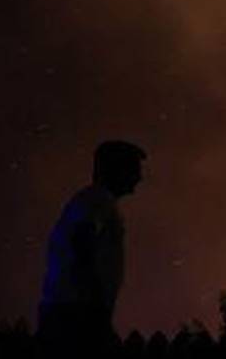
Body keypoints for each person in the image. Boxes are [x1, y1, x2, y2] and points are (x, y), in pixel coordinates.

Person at [38, 140, 146, 344]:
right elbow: (82, 242)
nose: (139, 177)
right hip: (76, 313)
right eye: (133, 169)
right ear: (117, 169)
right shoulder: (98, 199)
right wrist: (95, 305)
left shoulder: (93, 200)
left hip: (72, 311)